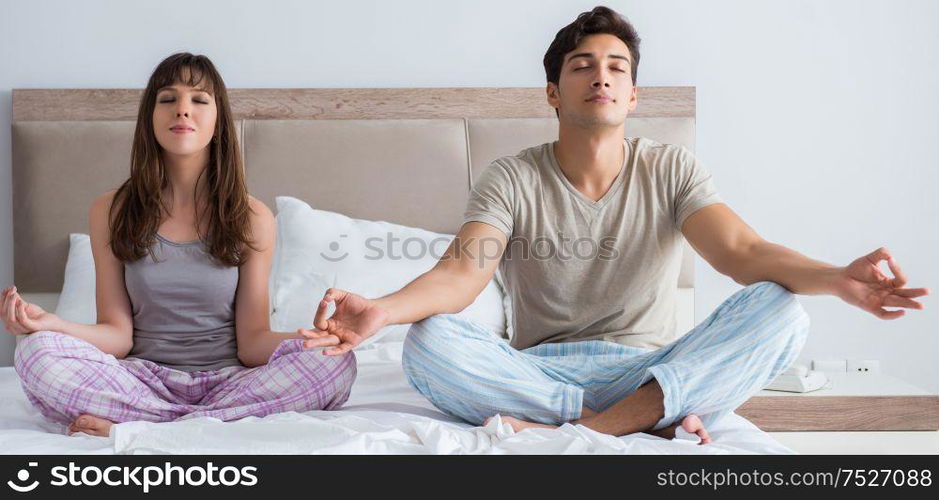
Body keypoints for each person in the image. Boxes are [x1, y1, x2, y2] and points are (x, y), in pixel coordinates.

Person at [300, 6, 929, 443]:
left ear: (632, 95)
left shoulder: (671, 168)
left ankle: (585, 431)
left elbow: (741, 250)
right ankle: (640, 422)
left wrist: (836, 279)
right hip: (541, 372)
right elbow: (463, 272)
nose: (600, 74)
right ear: (552, 92)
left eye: (617, 66)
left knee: (784, 311)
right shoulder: (511, 177)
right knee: (429, 343)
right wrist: (383, 309)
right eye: (580, 65)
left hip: (653, 368)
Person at [3, 53, 356, 437]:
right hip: (140, 381)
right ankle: (198, 428)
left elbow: (252, 343)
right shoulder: (111, 210)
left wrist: (323, 338)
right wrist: (53, 324)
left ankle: (143, 428)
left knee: (336, 361)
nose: (182, 111)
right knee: (36, 352)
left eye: (199, 100)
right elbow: (117, 337)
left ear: (218, 120)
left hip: (229, 383)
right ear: (150, 117)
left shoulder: (252, 216)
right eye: (168, 99)